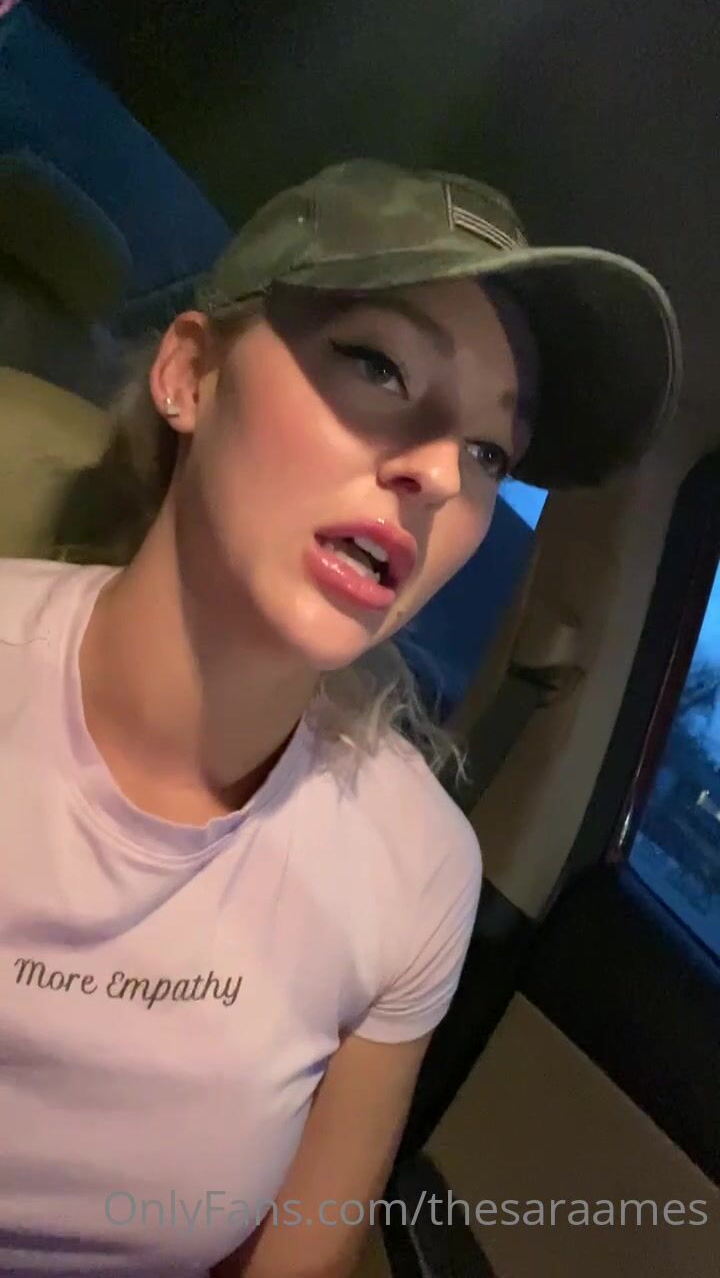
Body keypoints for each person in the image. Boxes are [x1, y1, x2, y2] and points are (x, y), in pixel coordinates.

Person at [0, 157, 681, 1278]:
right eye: (378, 363)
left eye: (489, 452)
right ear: (190, 374)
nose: (439, 475)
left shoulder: (411, 869)